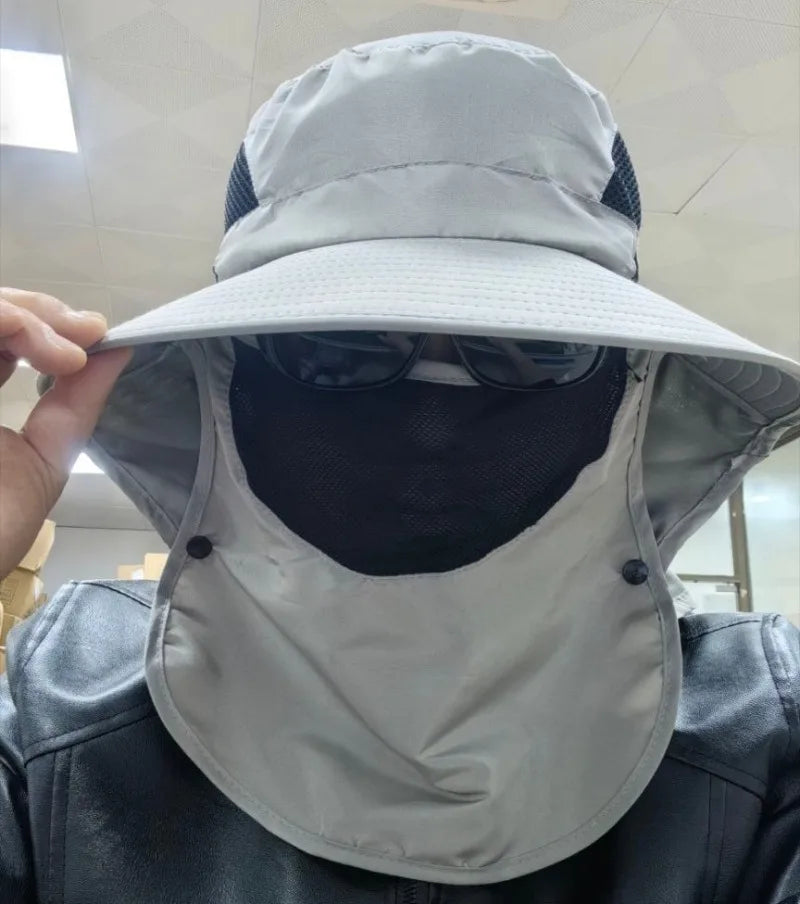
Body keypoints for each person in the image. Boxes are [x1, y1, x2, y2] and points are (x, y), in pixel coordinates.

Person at [1, 32, 798, 904]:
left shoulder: (763, 725)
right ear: (226, 374)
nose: (431, 428)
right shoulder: (57, 695)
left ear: (631, 386)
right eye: (335, 348)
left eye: (532, 351)